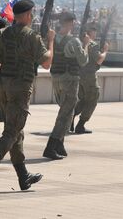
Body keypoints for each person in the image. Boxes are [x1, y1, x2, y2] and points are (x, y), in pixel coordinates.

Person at [0, 0, 55, 194]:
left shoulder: (2, 33)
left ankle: (23, 176)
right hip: (20, 88)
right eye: (32, 13)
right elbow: (47, 63)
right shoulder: (32, 36)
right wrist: (50, 40)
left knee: (16, 132)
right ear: (27, 15)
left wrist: (1, 68)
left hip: (3, 87)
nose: (33, 17)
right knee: (11, 132)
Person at [43, 11, 89, 160]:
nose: (75, 24)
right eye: (73, 22)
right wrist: (86, 45)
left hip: (56, 78)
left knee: (66, 111)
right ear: (69, 23)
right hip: (70, 79)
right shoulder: (74, 41)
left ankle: (59, 145)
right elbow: (83, 61)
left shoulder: (52, 38)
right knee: (65, 115)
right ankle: (51, 146)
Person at [72, 22, 108, 134]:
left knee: (83, 100)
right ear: (90, 32)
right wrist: (105, 51)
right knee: (93, 98)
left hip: (80, 75)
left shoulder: (79, 42)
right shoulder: (92, 44)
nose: (96, 32)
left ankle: (70, 117)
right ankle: (81, 124)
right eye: (94, 30)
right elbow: (98, 59)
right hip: (89, 76)